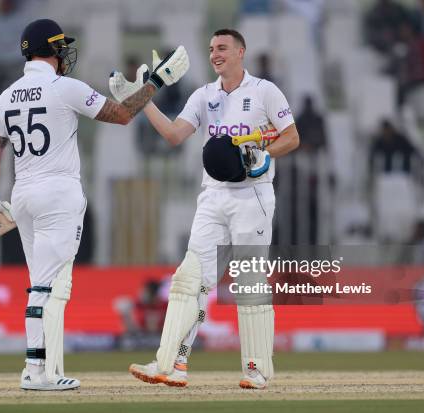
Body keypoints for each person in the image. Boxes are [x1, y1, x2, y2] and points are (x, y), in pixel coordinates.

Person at [0, 18, 189, 391]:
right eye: (60, 46)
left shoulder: (5, 96)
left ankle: (36, 368)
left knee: (38, 284)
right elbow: (122, 115)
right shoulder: (65, 87)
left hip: (23, 194)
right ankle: (35, 372)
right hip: (58, 195)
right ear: (51, 49)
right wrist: (156, 82)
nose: (64, 53)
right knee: (43, 287)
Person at [110, 29, 300, 389]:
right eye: (211, 48)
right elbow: (173, 135)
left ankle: (257, 370)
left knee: (249, 283)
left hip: (253, 195)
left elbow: (292, 136)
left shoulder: (264, 91)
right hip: (213, 196)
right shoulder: (204, 95)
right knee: (189, 279)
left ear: (240, 52)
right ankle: (170, 364)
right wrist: (143, 101)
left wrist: (262, 148)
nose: (215, 53)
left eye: (223, 48)